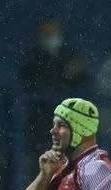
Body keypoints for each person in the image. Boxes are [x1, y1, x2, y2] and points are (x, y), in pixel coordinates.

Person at [19, 19, 88, 153]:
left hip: (68, 120)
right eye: (47, 32)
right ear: (40, 34)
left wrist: (75, 73)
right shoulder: (32, 57)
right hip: (41, 118)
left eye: (53, 32)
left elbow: (82, 81)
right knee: (43, 158)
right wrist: (62, 75)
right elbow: (31, 81)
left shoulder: (68, 54)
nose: (51, 36)